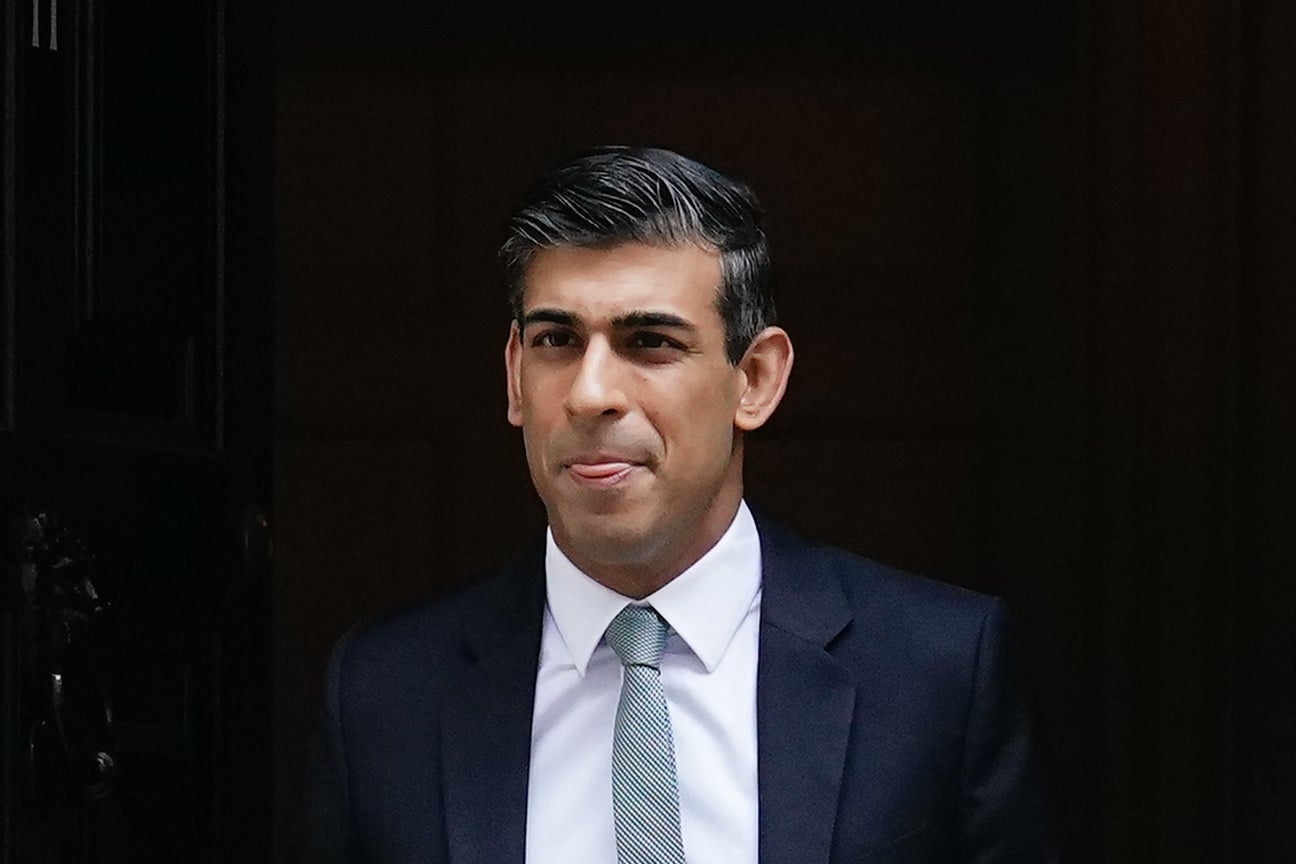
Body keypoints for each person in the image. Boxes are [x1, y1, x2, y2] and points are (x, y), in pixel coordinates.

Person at [299, 146, 1061, 863]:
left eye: (651, 342)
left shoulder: (936, 669)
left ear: (755, 378)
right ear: (513, 376)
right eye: (557, 340)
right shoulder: (385, 692)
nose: (591, 393)